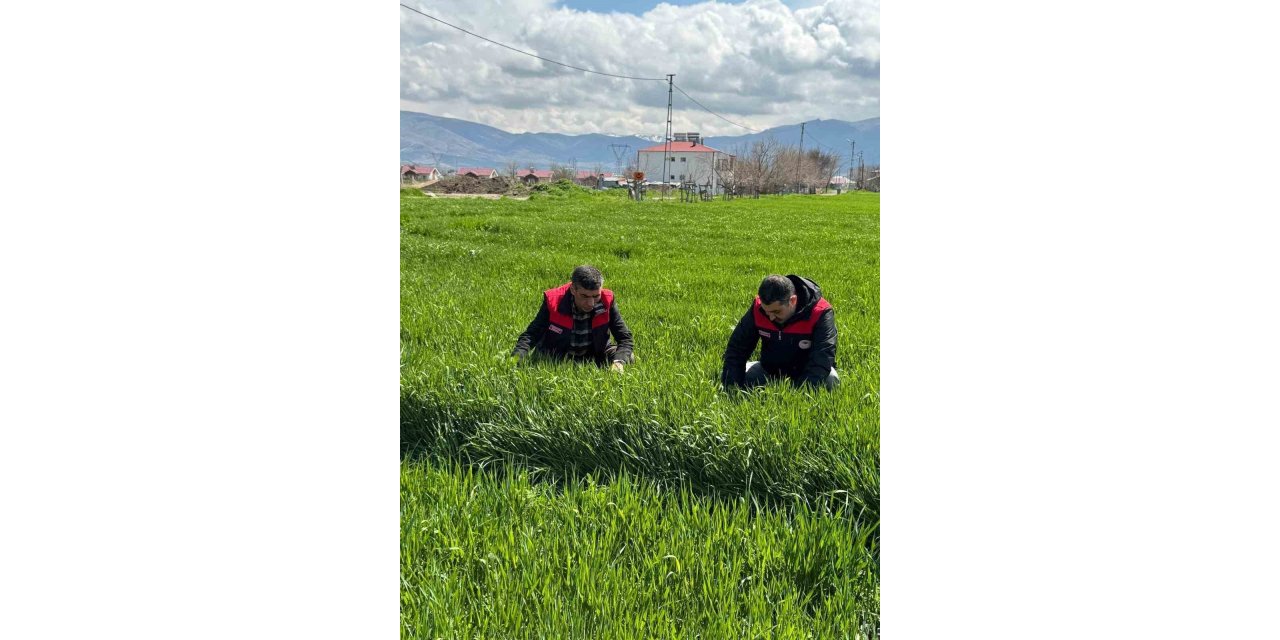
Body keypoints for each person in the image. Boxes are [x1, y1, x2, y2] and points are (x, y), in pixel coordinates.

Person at [721, 274, 839, 390]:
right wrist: (732, 386)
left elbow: (823, 356)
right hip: (768, 370)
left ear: (792, 300)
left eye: (777, 312)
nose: (771, 317)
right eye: (767, 312)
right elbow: (737, 348)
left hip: (806, 371)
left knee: (830, 380)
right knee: (735, 376)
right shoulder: (758, 308)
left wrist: (802, 395)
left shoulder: (820, 312)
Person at [513, 265, 634, 371]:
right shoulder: (553, 300)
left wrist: (618, 363)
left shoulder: (607, 300)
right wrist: (515, 360)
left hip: (594, 354)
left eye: (596, 296)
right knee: (540, 366)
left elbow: (625, 338)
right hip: (557, 356)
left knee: (628, 357)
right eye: (584, 296)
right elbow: (531, 334)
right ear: (573, 289)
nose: (591, 303)